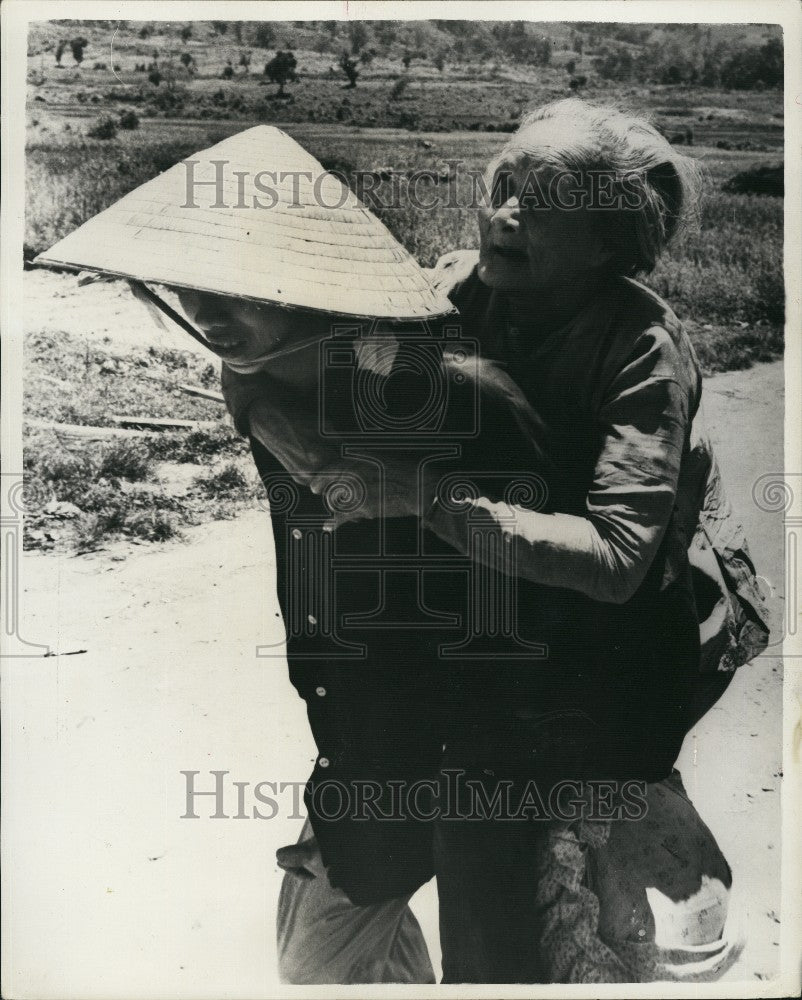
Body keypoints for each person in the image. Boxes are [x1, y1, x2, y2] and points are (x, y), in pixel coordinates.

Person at [205, 99, 770, 983]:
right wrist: (252, 360)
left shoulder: (641, 346)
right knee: (342, 903)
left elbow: (619, 559)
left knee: (544, 912)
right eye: (504, 185)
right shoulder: (449, 290)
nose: (508, 213)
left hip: (593, 656)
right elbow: (326, 370)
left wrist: (428, 499)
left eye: (545, 204)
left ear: (609, 243)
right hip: (464, 633)